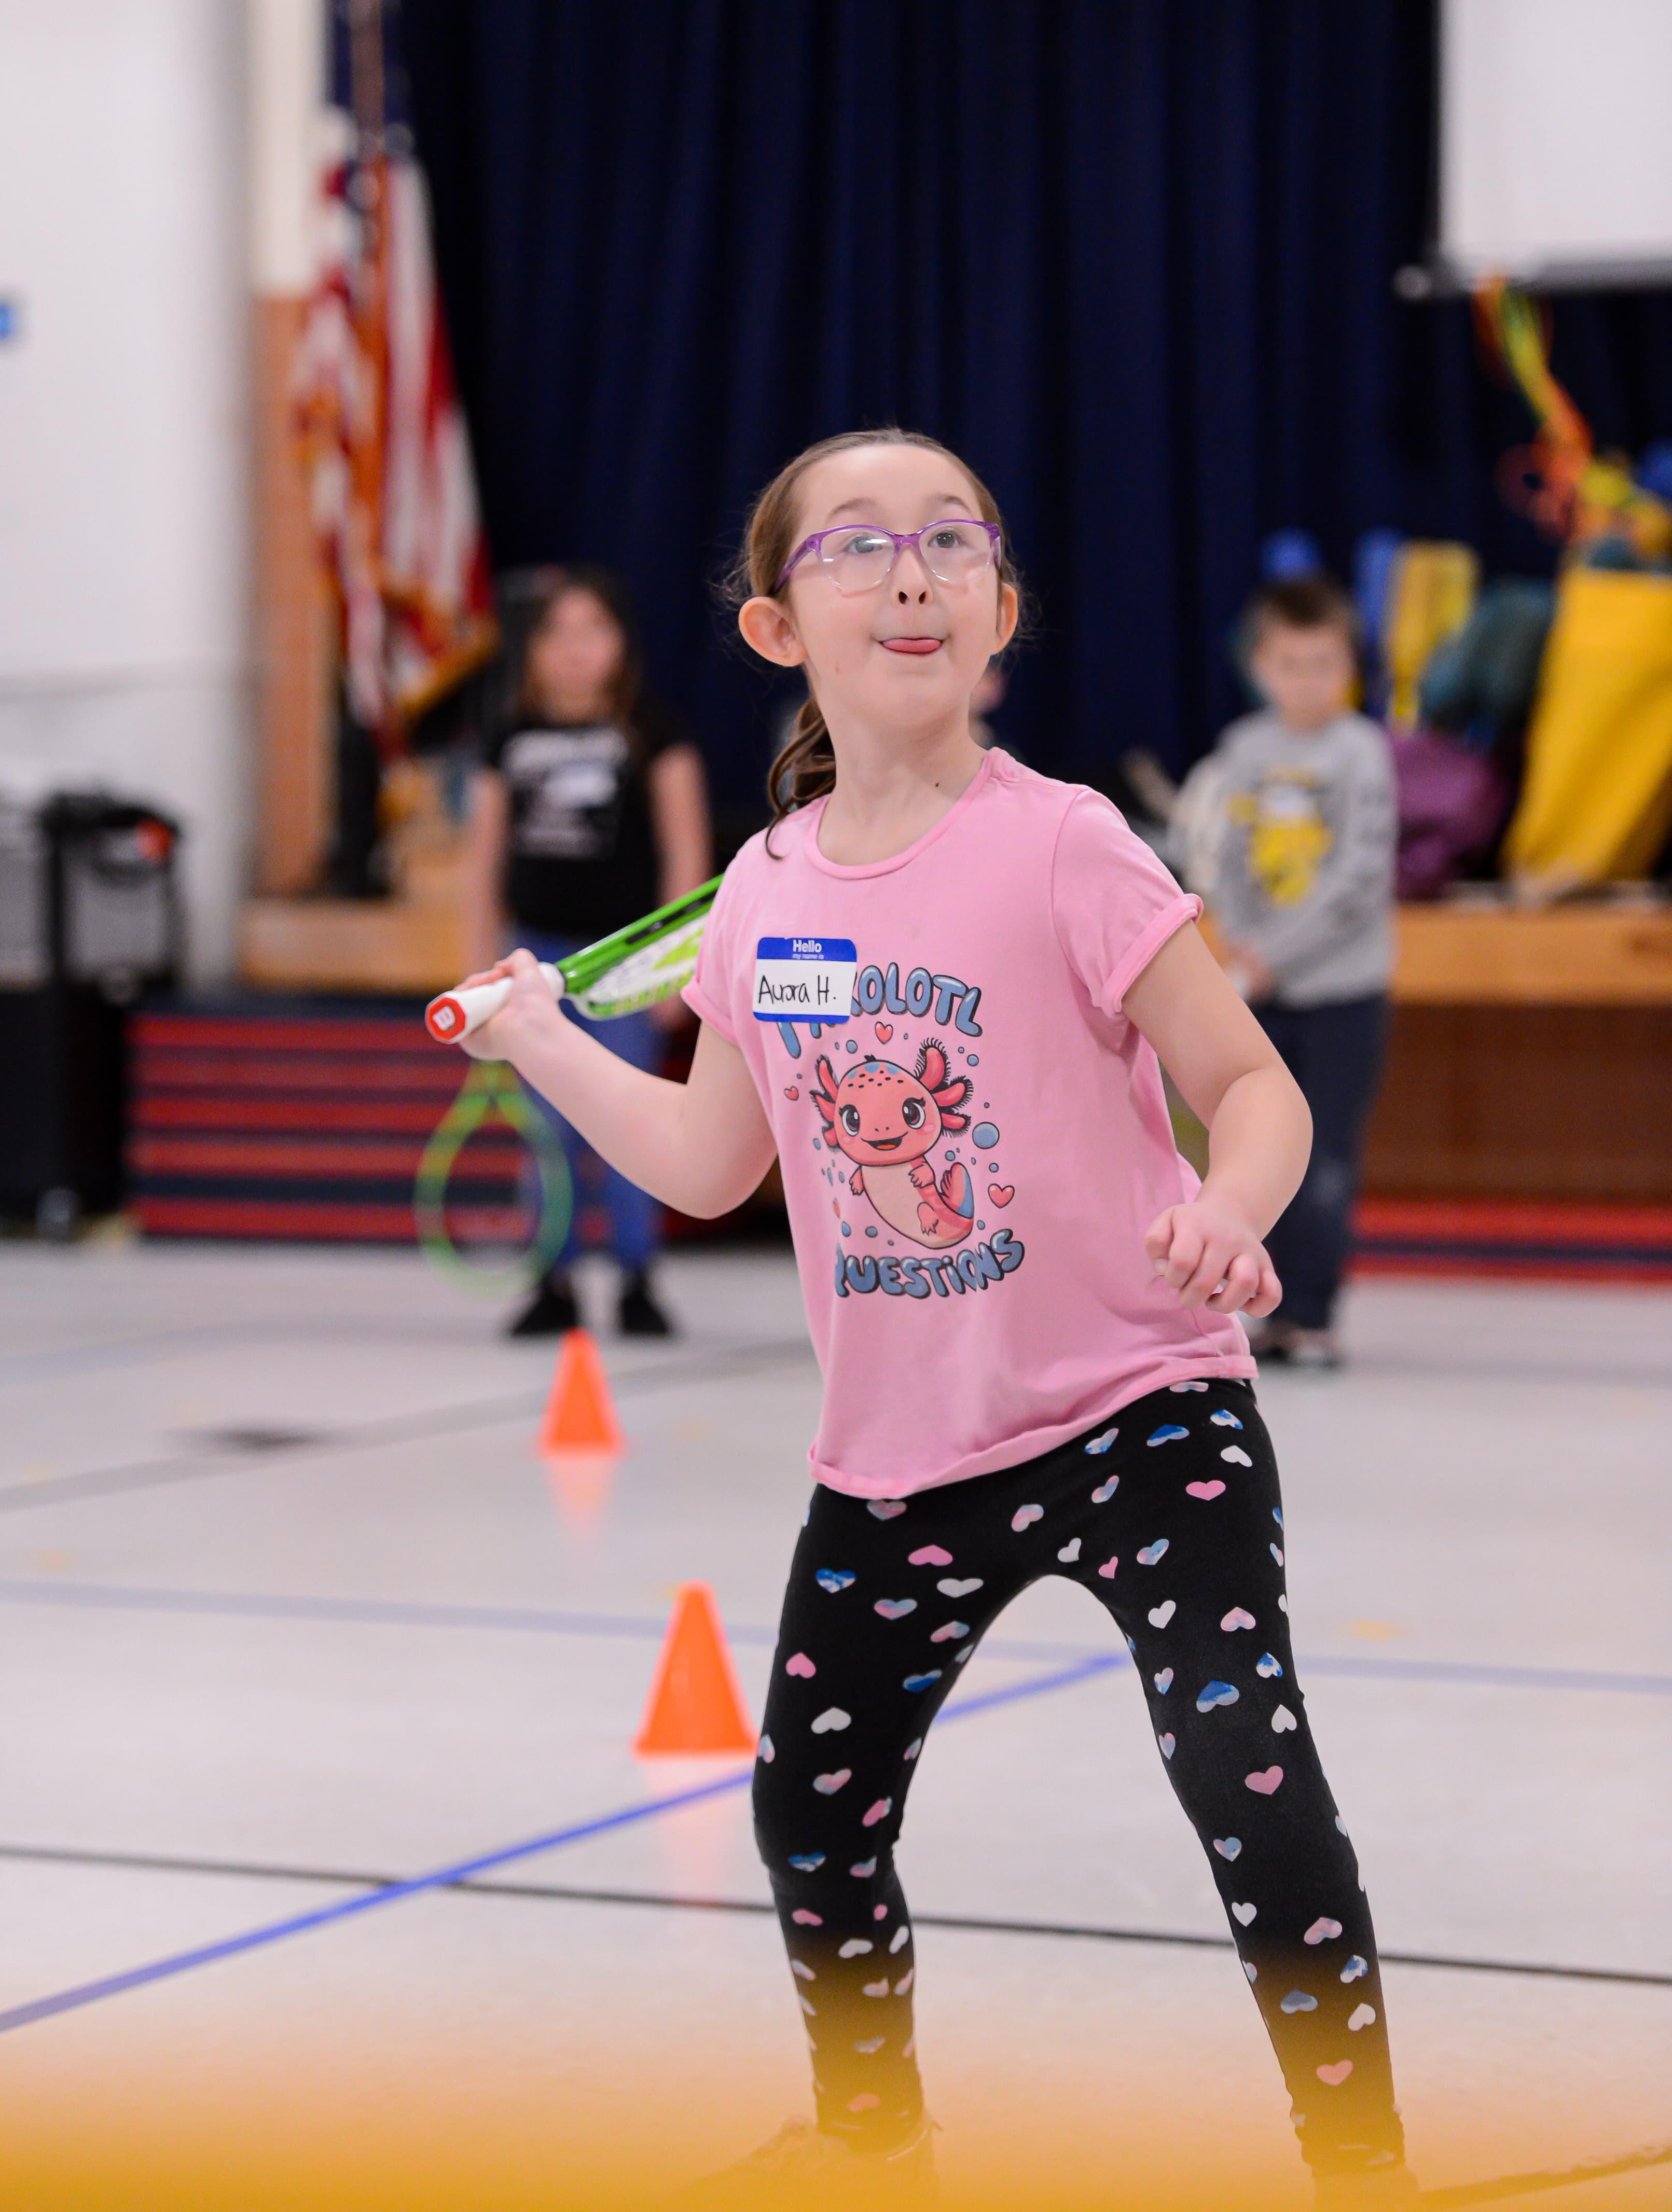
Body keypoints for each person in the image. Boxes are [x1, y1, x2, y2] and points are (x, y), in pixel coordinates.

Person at [456, 435, 1415, 2207]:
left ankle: (1360, 2159)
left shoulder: (1070, 843)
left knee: (1245, 1767)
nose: (912, 568)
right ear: (773, 623)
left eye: (952, 540)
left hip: (1142, 1408)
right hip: (900, 1460)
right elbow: (700, 1157)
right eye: (859, 545)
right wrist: (537, 1038)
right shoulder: (762, 894)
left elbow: (1254, 1084)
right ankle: (870, 2134)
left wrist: (1227, 1200)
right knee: (810, 1815)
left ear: (1000, 609)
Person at [465, 566, 711, 1338]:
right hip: (535, 957)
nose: (575, 650)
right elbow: (483, 860)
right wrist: (481, 965)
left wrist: (681, 968)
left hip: (625, 967)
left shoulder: (654, 735)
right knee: (548, 1125)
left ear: (621, 643)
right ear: (532, 648)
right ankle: (555, 1278)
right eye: (556, 633)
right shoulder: (507, 737)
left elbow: (685, 853)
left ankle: (637, 1277)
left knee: (634, 1118)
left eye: (592, 630)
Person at [1199, 577, 1397, 1370]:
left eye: (1323, 663)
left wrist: (1273, 957)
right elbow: (1227, 854)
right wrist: (1240, 942)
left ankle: (1314, 1314)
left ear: (1349, 665)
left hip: (1343, 994)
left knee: (1325, 1160)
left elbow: (1356, 881)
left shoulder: (1361, 753)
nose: (1306, 679)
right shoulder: (1245, 751)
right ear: (1261, 665)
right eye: (1290, 663)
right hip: (1260, 986)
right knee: (1255, 1147)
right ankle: (1264, 1312)